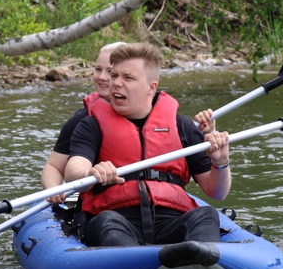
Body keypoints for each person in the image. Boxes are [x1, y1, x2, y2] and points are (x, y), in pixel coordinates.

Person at [63, 42, 232, 247]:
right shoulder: (91, 125)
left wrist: (221, 163)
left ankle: (195, 262)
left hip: (171, 223)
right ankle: (133, 265)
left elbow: (217, 192)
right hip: (117, 221)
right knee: (108, 222)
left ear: (151, 87)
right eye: (115, 75)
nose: (115, 83)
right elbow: (74, 170)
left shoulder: (183, 126)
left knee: (206, 215)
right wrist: (91, 173)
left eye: (128, 78)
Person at [41, 42, 126, 203]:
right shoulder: (82, 120)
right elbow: (53, 167)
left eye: (110, 72)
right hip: (100, 203)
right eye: (98, 69)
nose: (101, 77)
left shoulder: (152, 115)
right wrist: (54, 189)